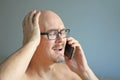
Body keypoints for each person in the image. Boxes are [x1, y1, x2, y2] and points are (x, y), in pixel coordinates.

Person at [0, 10, 99, 80]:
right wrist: (31, 42)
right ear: (35, 38)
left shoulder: (70, 73)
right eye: (52, 33)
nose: (61, 39)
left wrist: (85, 71)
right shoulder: (18, 76)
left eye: (63, 32)